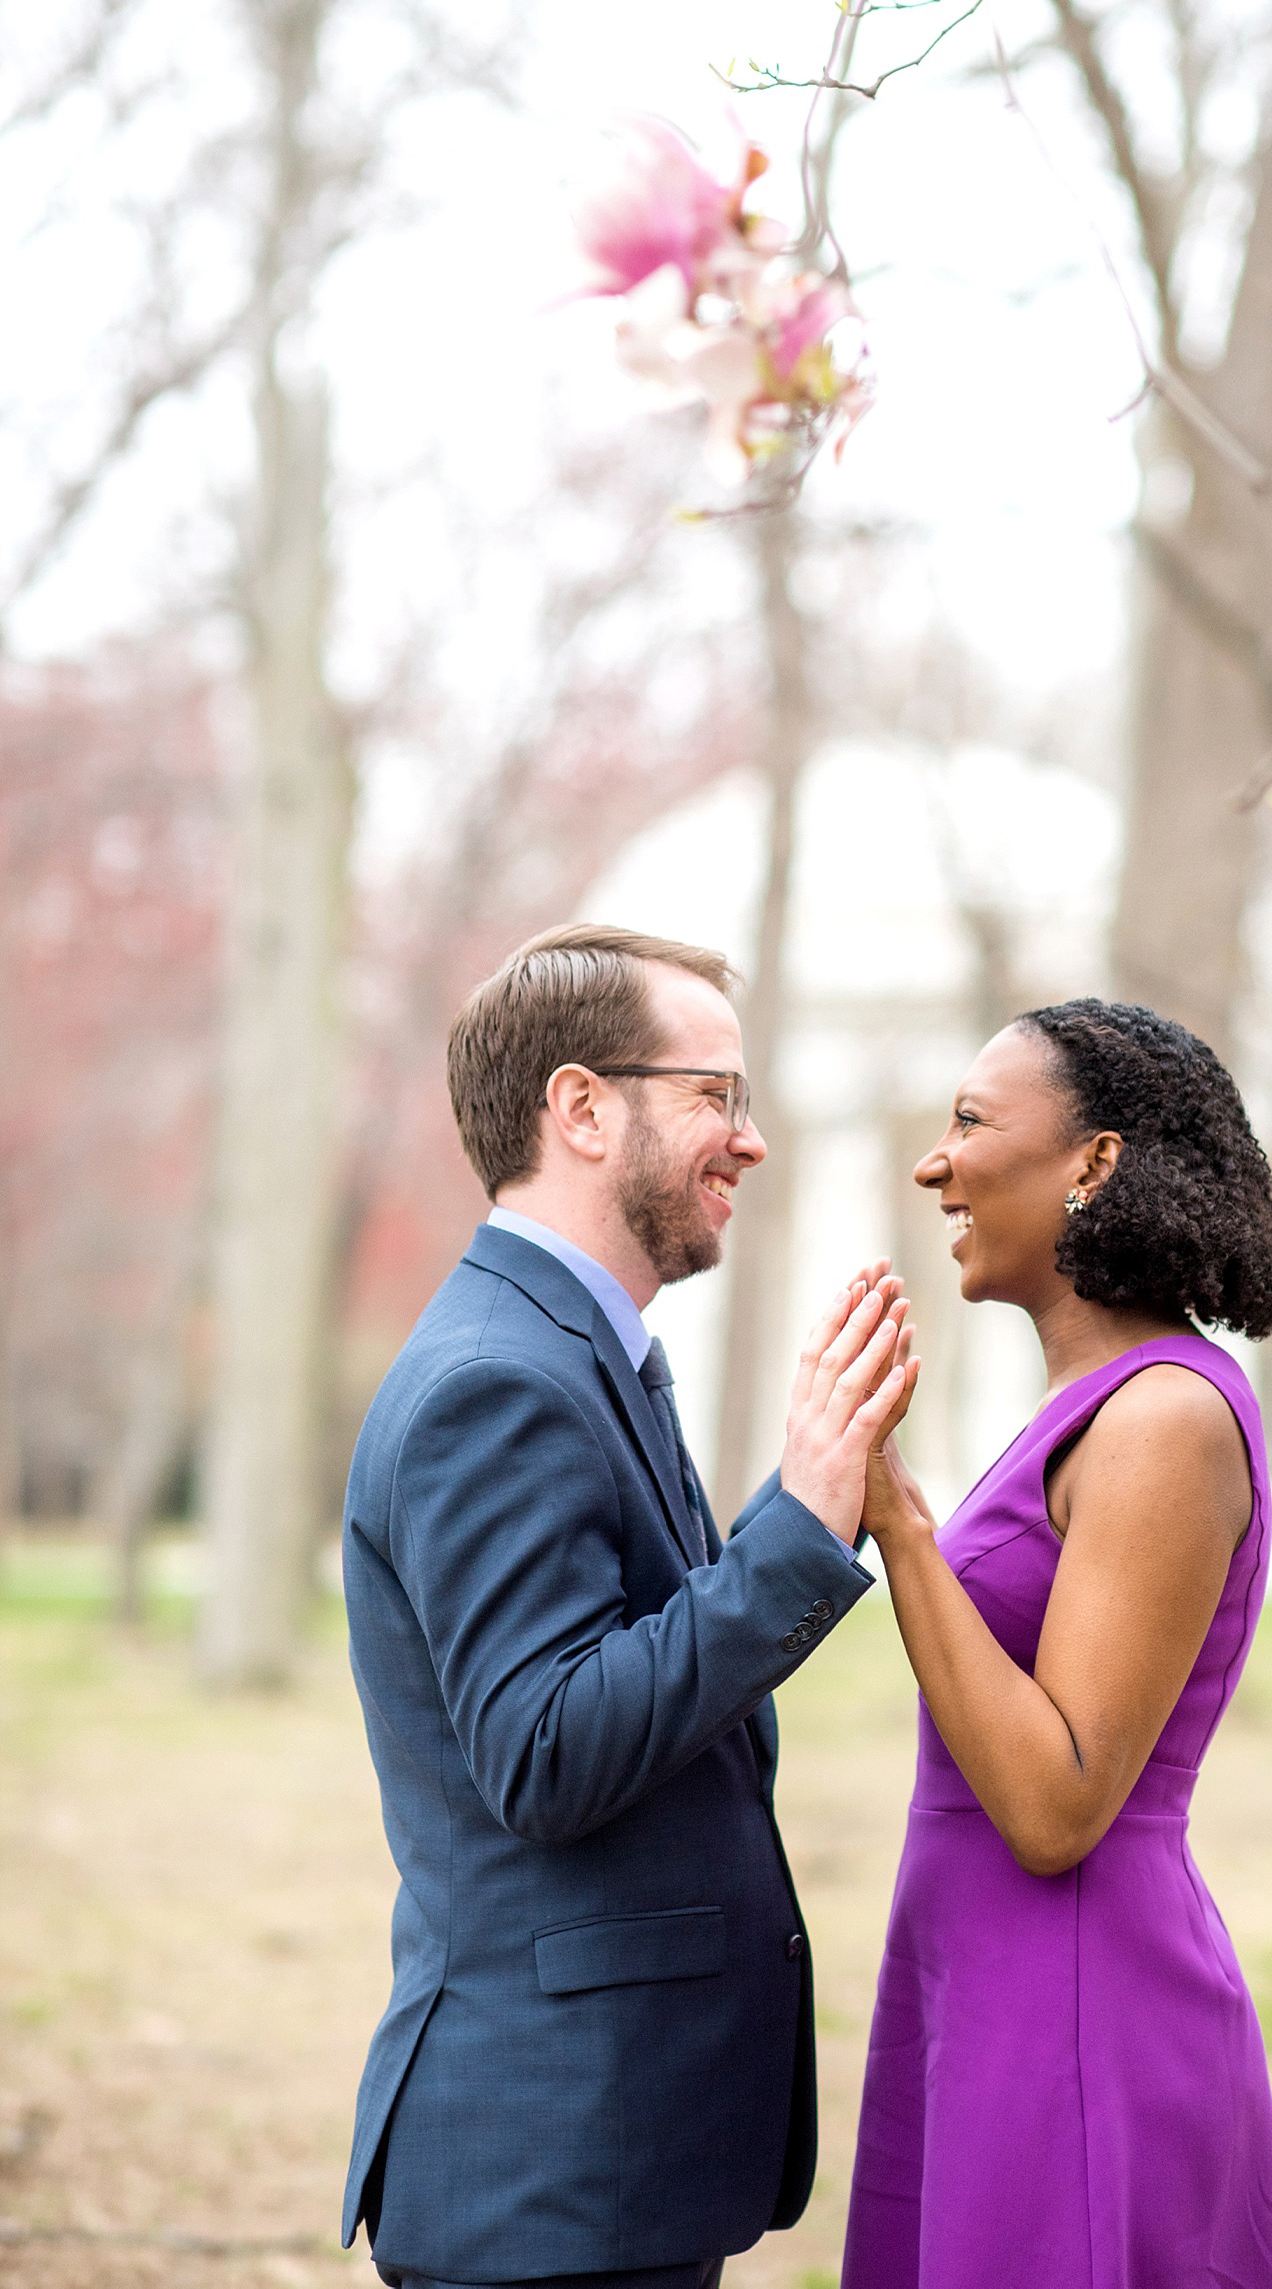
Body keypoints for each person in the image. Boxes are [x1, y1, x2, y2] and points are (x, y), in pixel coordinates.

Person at [339, 923, 915, 2289]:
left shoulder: (578, 1351)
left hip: (606, 2168)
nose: (750, 1138)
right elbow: (544, 1751)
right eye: (716, 1093)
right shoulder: (501, 1382)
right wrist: (799, 1524)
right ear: (583, 1107)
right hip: (547, 2180)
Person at [842, 997, 1272, 2289]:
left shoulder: (1164, 1416)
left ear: (1093, 1163)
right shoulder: (1089, 1404)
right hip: (981, 1979)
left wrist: (898, 1520)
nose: (935, 1160)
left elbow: (1056, 1806)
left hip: (1077, 1999)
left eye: (971, 1121)